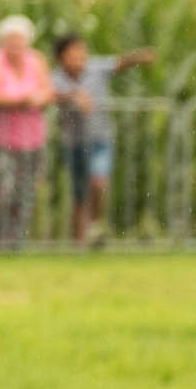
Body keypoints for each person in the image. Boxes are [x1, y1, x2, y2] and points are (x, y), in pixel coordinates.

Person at [49, 34, 156, 247]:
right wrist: (73, 96)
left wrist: (140, 57)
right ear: (61, 58)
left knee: (99, 182)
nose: (80, 57)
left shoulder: (96, 68)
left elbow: (119, 63)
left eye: (82, 52)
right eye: (73, 54)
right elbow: (49, 94)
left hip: (100, 139)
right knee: (79, 193)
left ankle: (95, 224)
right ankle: (78, 243)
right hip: (74, 143)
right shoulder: (56, 77)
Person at [0, 15, 54, 250]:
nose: (15, 47)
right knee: (1, 192)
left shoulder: (36, 61)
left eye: (20, 42)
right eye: (11, 42)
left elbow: (48, 91)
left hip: (31, 139)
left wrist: (38, 99)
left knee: (25, 192)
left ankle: (14, 243)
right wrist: (21, 101)